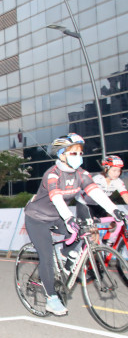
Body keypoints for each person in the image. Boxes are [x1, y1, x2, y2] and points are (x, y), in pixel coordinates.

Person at [24, 134, 124, 316]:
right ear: (61, 154)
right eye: (73, 152)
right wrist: (69, 218)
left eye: (80, 153)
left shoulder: (82, 174)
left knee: (82, 232)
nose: (78, 156)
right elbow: (56, 198)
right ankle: (51, 299)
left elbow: (96, 193)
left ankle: (64, 255)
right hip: (37, 218)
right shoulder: (52, 174)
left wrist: (114, 210)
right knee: (46, 257)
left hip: (57, 216)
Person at [75, 155, 128, 244]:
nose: (117, 173)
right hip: (85, 205)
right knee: (93, 233)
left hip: (99, 205)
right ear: (106, 169)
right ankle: (92, 250)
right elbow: (98, 196)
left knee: (115, 220)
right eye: (114, 170)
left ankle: (107, 240)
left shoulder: (118, 181)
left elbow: (125, 195)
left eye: (119, 170)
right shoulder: (97, 179)